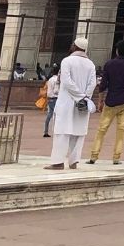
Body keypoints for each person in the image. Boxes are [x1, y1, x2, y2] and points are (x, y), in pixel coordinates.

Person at [46, 38, 97, 170]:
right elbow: (92, 83)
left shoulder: (67, 61)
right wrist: (85, 98)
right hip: (82, 103)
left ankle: (58, 162)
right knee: (78, 133)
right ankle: (74, 161)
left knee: (62, 131)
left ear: (75, 46)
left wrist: (79, 96)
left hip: (67, 102)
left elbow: (66, 81)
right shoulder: (90, 64)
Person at [89, 39, 124, 165]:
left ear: (117, 51)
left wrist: (100, 100)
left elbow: (103, 85)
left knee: (102, 129)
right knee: (121, 130)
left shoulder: (109, 64)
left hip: (110, 100)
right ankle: (116, 157)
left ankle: (94, 156)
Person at [42, 65, 60, 137]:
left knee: (49, 115)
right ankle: (56, 131)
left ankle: (46, 131)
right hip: (55, 98)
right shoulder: (57, 80)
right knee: (58, 115)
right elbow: (56, 91)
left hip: (50, 98)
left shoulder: (50, 79)